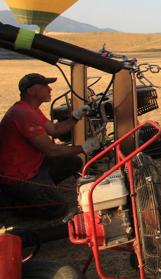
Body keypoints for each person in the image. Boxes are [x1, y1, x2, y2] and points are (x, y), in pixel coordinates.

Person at [0, 73, 100, 218]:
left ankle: (41, 191)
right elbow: (51, 150)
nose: (50, 88)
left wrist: (75, 117)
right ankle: (12, 205)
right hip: (19, 178)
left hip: (34, 167)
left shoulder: (30, 109)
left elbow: (54, 130)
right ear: (31, 91)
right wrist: (83, 148)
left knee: (74, 162)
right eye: (44, 85)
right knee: (59, 208)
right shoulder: (23, 114)